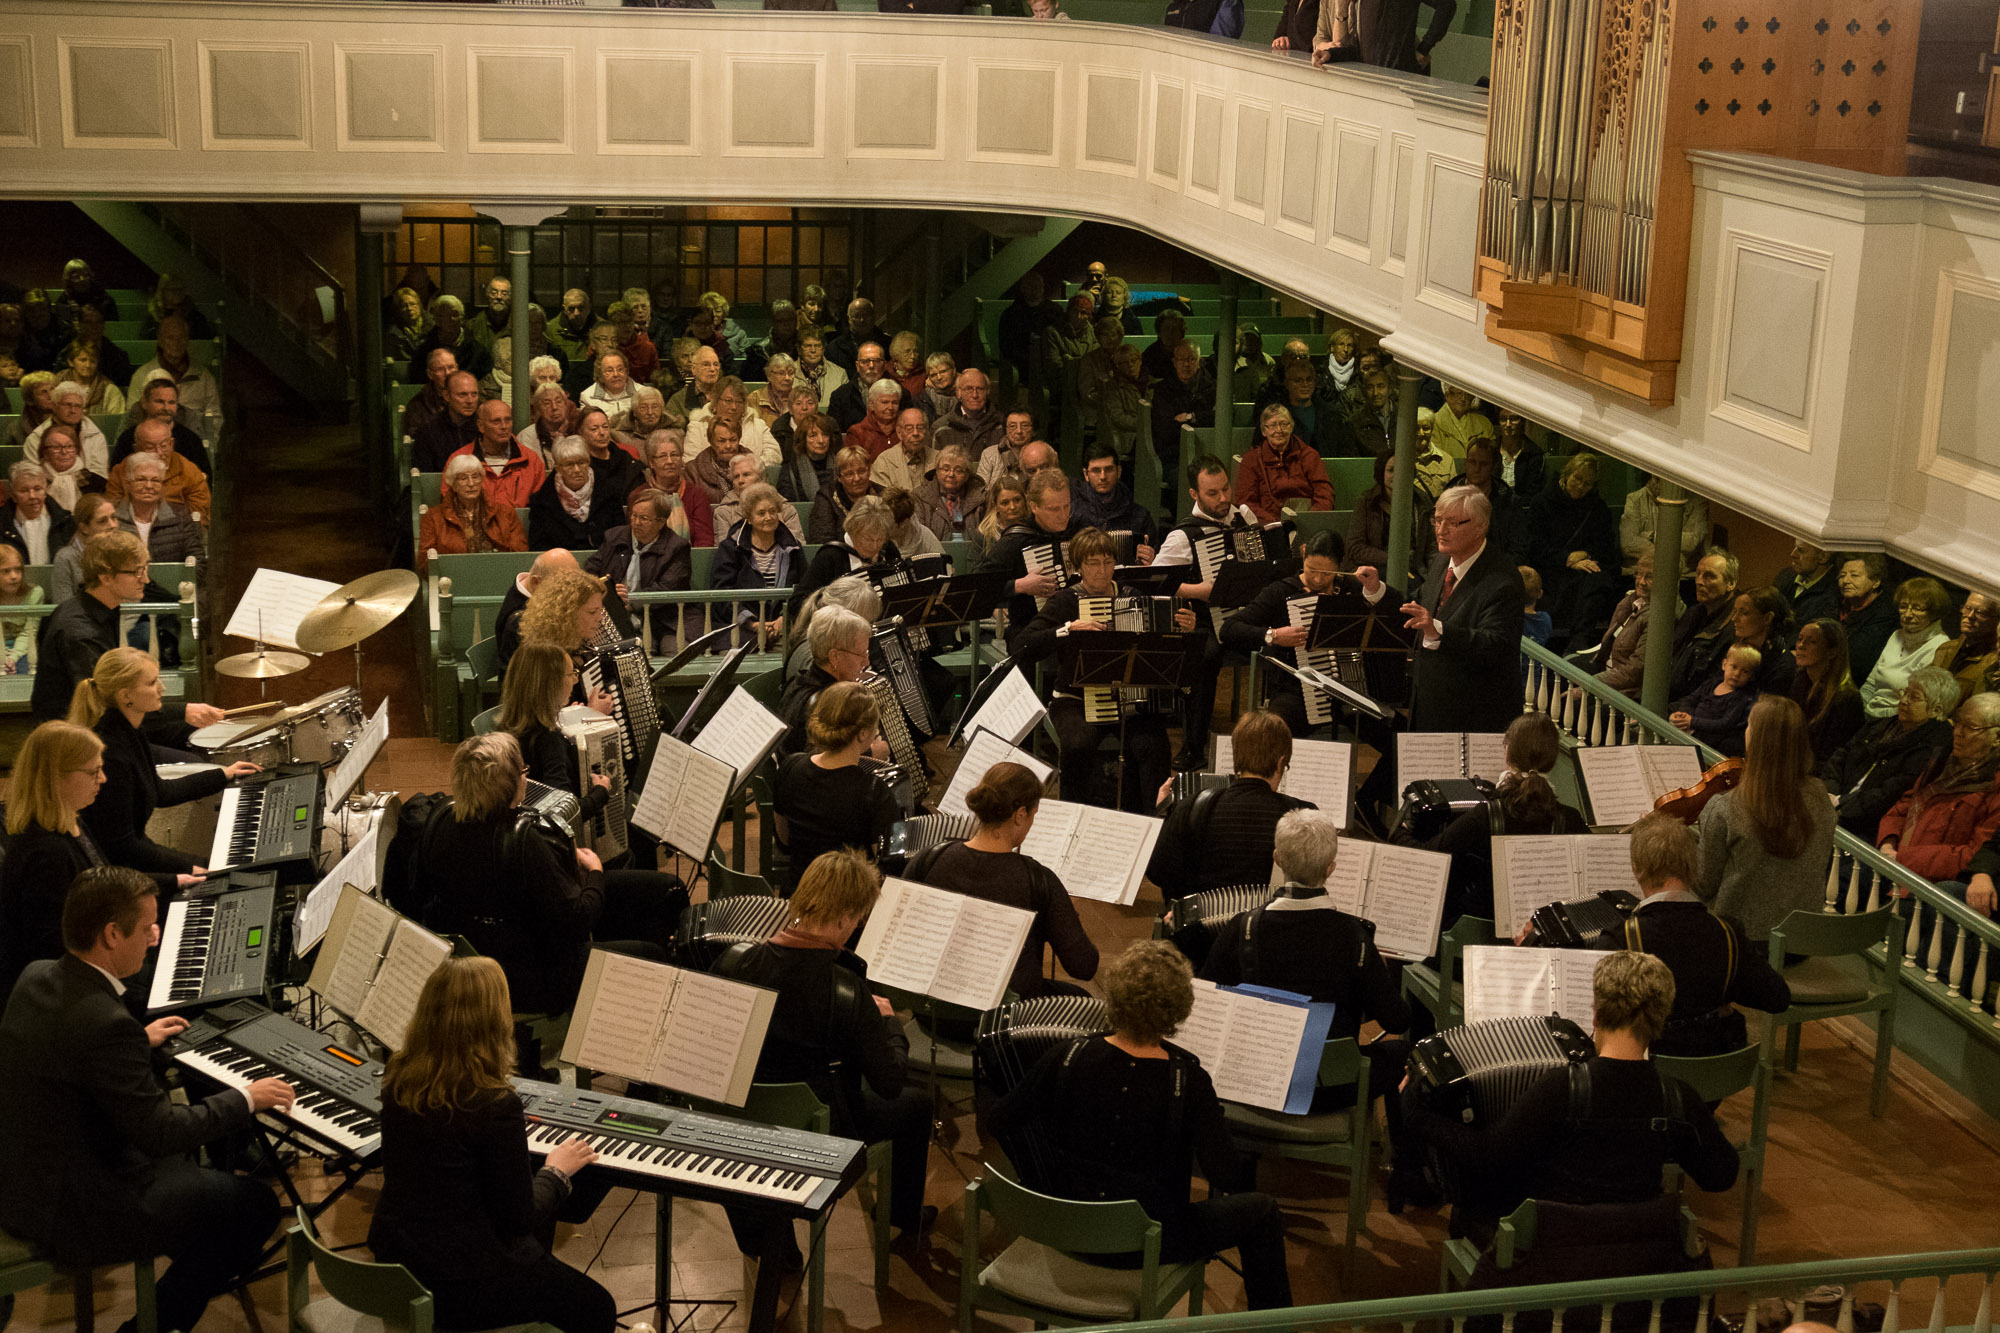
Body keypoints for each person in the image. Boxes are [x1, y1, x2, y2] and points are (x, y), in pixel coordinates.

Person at [0, 866, 291, 1333]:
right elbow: (161, 1133)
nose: (155, 938)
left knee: (209, 1196)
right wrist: (245, 1098)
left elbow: (75, 1050)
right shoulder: (104, 1023)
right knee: (255, 1206)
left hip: (26, 1179)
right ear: (112, 934)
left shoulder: (37, 976)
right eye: (148, 927)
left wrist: (139, 1039)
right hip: (78, 1206)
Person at [989, 940, 1293, 1310]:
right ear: (1178, 1009)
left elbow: (999, 1120)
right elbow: (1225, 1175)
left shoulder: (1067, 1054)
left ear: (1115, 997)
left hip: (1064, 1228)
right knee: (1262, 1212)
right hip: (1146, 1242)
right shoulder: (1189, 1081)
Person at [711, 850, 933, 1317]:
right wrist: (889, 1024)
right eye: (858, 919)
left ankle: (771, 1244)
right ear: (846, 917)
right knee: (917, 1103)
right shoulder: (846, 990)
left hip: (742, 1122)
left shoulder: (733, 962)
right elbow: (889, 1083)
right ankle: (902, 1216)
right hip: (822, 1136)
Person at [1400, 952, 1738, 1241]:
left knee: (1470, 1209)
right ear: (1659, 1021)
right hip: (1633, 1251)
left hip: (1555, 1251)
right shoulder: (1676, 1097)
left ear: (1596, 1014)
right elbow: (1720, 1176)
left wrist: (1417, 1116)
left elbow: (1487, 1156)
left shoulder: (1561, 1088)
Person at [369, 956, 615, 1333]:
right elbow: (519, 1219)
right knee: (597, 1309)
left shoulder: (399, 1074)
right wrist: (556, 1171)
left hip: (399, 1260)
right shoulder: (494, 1102)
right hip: (460, 1285)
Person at [415, 734, 681, 1016]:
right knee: (653, 953)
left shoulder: (439, 819)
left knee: (663, 889)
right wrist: (595, 871)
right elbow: (579, 918)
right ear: (509, 784)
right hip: (534, 975)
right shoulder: (523, 840)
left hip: (477, 955)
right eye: (523, 771)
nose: (526, 778)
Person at [1200, 808, 1411, 1124]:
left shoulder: (1242, 927)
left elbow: (1207, 1004)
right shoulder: (1355, 937)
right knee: (1404, 1054)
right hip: (1330, 1087)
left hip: (1256, 1079)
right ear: (1331, 868)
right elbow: (1397, 1020)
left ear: (1277, 859)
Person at [1522, 812, 1790, 1056]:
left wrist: (1531, 948)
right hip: (1714, 1076)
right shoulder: (1727, 932)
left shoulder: (1620, 939)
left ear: (1637, 870)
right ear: (1693, 867)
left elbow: (1590, 1022)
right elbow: (1777, 998)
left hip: (1646, 1076)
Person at [1015, 527, 1191, 810]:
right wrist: (1068, 629)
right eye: (1093, 563)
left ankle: (1153, 818)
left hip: (1129, 700)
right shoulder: (1065, 601)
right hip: (1075, 699)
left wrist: (1184, 628)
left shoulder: (1133, 596)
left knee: (1154, 745)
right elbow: (1023, 645)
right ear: (1079, 567)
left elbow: (1167, 648)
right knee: (1078, 746)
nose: (1102, 570)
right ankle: (1072, 815)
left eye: (1108, 562)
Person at [0, 722, 167, 998]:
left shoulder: (70, 820)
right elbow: (58, 957)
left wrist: (141, 925)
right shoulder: (46, 855)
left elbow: (106, 890)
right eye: (93, 772)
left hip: (98, 967)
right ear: (56, 777)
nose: (103, 779)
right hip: (70, 997)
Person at [908, 761, 1099, 997]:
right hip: (1009, 1012)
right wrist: (1066, 913)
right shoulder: (1038, 880)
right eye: (1033, 815)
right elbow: (1083, 966)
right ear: (1020, 815)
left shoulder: (929, 859)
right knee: (1083, 1000)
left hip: (935, 1003)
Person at [69, 647, 254, 875]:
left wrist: (223, 774)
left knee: (220, 867)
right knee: (220, 870)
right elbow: (122, 847)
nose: (161, 688)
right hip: (116, 875)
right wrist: (189, 868)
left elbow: (160, 792)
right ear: (126, 696)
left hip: (131, 855)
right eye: (152, 683)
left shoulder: (130, 731)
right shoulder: (111, 754)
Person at [29, 530, 224, 738]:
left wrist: (183, 711)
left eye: (145, 568)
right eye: (137, 572)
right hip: (80, 738)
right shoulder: (80, 632)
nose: (146, 580)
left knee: (205, 732)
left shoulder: (100, 610)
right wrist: (183, 711)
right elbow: (107, 705)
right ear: (106, 577)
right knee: (194, 740)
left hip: (109, 723)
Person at [1221, 531, 1394, 738]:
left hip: (1351, 688)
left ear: (1339, 567)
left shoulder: (1351, 588)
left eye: (1327, 574)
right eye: (1311, 570)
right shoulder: (1280, 591)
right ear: (1303, 555)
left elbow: (1396, 609)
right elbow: (1229, 629)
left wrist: (1375, 589)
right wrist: (1273, 635)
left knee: (1396, 735)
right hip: (1294, 689)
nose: (1318, 579)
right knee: (1273, 733)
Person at [1693, 695, 1837, 943]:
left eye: (1749, 725)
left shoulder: (1726, 806)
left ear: (1757, 740)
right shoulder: (1820, 795)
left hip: (1739, 943)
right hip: (1801, 942)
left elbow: (1703, 885)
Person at [1147, 710, 1315, 899]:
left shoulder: (1192, 807)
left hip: (1204, 918)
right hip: (1272, 918)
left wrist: (1162, 814)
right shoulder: (1303, 816)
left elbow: (1158, 872)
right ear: (1280, 762)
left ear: (1236, 755)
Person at [1400, 484, 1525, 735]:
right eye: (1437, 521)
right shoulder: (1442, 561)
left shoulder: (1503, 580)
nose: (1441, 530)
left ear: (1480, 526)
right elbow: (1417, 604)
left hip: (1475, 718)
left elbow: (1495, 644)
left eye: (1453, 523)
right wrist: (1377, 591)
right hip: (1431, 708)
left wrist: (1438, 630)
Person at [771, 682, 903, 896]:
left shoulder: (790, 767)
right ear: (862, 734)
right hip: (849, 905)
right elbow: (890, 869)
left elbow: (784, 841)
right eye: (875, 726)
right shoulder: (874, 792)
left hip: (797, 896)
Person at [1821, 665, 1958, 843]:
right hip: (1831, 804)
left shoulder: (1933, 749)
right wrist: (1828, 793)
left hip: (1865, 827)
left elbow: (1889, 795)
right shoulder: (1882, 725)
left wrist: (1840, 803)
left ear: (1936, 710)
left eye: (1914, 697)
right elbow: (1841, 756)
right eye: (1905, 692)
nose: (1904, 700)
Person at [1875, 692, 2000, 883]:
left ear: (1997, 737)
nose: (1957, 732)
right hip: (1893, 864)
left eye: (1970, 727)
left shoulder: (1994, 786)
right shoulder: (1941, 763)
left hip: (1928, 885)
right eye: (1958, 723)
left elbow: (1976, 856)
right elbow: (1904, 806)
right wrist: (1887, 842)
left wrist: (1903, 858)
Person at [495, 640, 617, 832]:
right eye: (571, 674)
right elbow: (561, 815)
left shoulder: (507, 727)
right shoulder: (548, 739)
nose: (575, 680)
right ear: (551, 684)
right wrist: (600, 792)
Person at [980, 469, 1085, 652]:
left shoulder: (1078, 531)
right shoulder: (1016, 539)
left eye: (1066, 506)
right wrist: (1019, 585)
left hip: (1077, 625)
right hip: (1030, 631)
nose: (1063, 515)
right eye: (1054, 509)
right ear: (1034, 507)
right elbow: (978, 587)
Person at [1522, 451, 1620, 646]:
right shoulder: (1542, 503)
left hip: (1586, 568)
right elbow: (1534, 546)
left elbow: (1606, 546)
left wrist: (1584, 555)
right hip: (1551, 567)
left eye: (1587, 484)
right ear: (1566, 475)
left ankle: (1579, 642)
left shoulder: (1597, 508)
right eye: (1577, 479)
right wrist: (1567, 559)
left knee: (1598, 581)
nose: (1581, 486)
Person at [583, 489, 693, 654]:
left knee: (675, 652)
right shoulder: (614, 536)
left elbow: (668, 588)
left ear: (661, 522)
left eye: (644, 518)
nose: (636, 522)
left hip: (663, 619)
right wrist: (609, 592)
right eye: (633, 515)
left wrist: (631, 599)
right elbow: (590, 571)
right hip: (616, 617)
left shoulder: (677, 547)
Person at [777, 606, 877, 756]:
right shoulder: (830, 703)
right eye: (861, 654)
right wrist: (871, 753)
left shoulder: (796, 681)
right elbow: (825, 762)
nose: (866, 661)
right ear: (835, 657)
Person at [714, 482, 804, 647]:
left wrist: (783, 619)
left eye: (773, 511)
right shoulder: (731, 548)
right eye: (761, 513)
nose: (768, 517)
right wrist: (752, 623)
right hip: (741, 629)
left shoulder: (793, 547)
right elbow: (722, 594)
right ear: (749, 518)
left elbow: (804, 588)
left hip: (785, 626)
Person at [789, 494, 899, 622]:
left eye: (880, 539)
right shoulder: (831, 555)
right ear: (853, 531)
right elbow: (796, 604)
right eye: (868, 539)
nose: (875, 546)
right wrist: (835, 607)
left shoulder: (888, 550)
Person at [1859, 576, 1953, 718]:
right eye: (1903, 607)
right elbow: (1871, 683)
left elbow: (1916, 706)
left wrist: (1875, 717)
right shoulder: (1896, 635)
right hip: (1869, 712)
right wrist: (1858, 708)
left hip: (1896, 720)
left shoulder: (1941, 646)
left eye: (1917, 609)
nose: (1908, 615)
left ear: (1934, 612)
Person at [419, 452, 529, 572]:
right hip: (454, 576)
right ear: (453, 484)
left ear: (482, 480)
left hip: (499, 573)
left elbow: (520, 555)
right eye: (463, 478)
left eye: (475, 477)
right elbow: (425, 562)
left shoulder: (506, 513)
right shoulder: (433, 517)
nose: (471, 484)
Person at [1593, 545, 1675, 699]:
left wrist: (1590, 683)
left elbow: (1634, 672)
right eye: (1639, 574)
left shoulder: (1659, 618)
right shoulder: (1628, 602)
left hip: (1625, 690)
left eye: (1650, 577)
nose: (1641, 582)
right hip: (1605, 672)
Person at [1235, 404, 1335, 523]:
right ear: (1263, 431)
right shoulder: (1251, 460)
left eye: (1284, 424)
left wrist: (1310, 520)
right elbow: (1246, 502)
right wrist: (1274, 524)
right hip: (1267, 525)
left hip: (1306, 522)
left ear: (1291, 427)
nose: (1279, 430)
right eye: (1272, 425)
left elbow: (1325, 494)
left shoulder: (1309, 456)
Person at [1787, 616, 1866, 764]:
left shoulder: (1846, 699)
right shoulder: (1801, 680)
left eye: (1812, 641)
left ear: (1832, 652)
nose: (1801, 645)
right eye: (1800, 639)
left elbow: (1832, 756)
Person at [1668, 549, 1741, 700]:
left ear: (1731, 583)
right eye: (1698, 574)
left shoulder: (1734, 627)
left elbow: (1712, 687)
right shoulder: (1694, 613)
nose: (1699, 581)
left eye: (1709, 576)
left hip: (1687, 708)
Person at [528, 436, 623, 552]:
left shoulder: (610, 494)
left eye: (581, 462)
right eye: (569, 464)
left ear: (589, 462)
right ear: (558, 468)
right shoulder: (541, 502)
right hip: (559, 561)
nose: (577, 470)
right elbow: (538, 547)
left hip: (603, 560)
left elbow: (619, 540)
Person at [1345, 451, 1434, 574]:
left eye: (1402, 470)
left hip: (1413, 569)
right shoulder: (1367, 503)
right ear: (1381, 472)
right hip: (1373, 568)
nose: (1397, 475)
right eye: (1391, 470)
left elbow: (1432, 547)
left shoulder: (1422, 502)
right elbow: (1355, 547)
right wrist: (1391, 559)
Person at [1669, 643, 1763, 756]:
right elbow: (1691, 700)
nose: (1737, 674)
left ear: (1751, 676)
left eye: (1745, 671)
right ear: (1724, 665)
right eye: (1734, 667)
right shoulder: (1711, 683)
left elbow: (1724, 724)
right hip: (1691, 729)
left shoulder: (1741, 697)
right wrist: (1684, 715)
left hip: (1710, 742)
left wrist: (1692, 721)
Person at [1071, 443, 1159, 557]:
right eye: (1096, 470)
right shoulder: (1073, 513)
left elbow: (1157, 559)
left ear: (1119, 471)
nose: (1103, 477)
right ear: (1086, 474)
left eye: (1109, 469)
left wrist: (1151, 560)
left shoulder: (1140, 516)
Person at [634, 427, 715, 547]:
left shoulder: (697, 495)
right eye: (662, 456)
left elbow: (704, 542)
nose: (670, 461)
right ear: (651, 462)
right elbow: (636, 541)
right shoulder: (638, 496)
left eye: (674, 455)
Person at [1618, 473, 1709, 577]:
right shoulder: (1635, 499)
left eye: (1663, 480)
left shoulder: (1697, 501)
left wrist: (1653, 536)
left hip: (1683, 575)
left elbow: (1692, 542)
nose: (1657, 484)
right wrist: (1672, 559)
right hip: (1640, 572)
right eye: (1656, 479)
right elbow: (1628, 543)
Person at [1836, 553, 1900, 685]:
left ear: (1875, 582)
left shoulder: (1885, 615)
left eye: (1854, 575)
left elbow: (1857, 660)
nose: (1846, 581)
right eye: (1842, 575)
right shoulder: (1837, 601)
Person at [0, 460, 74, 566]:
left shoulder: (66, 522)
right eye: (24, 490)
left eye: (37, 489)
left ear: (45, 491)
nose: (32, 496)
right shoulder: (2, 525)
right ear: (14, 496)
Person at [807, 444, 880, 545]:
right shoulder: (826, 497)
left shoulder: (880, 493)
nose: (857, 478)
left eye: (861, 471)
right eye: (849, 474)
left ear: (869, 471)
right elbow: (822, 542)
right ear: (839, 477)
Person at [912, 443, 986, 542]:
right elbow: (918, 538)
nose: (951, 474)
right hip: (934, 551)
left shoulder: (982, 497)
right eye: (946, 469)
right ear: (937, 470)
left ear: (967, 474)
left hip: (973, 551)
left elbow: (987, 537)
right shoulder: (920, 496)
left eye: (958, 470)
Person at [1933, 591, 1999, 703]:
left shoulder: (1994, 663)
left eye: (1980, 612)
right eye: (1967, 608)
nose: (1970, 616)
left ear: (1996, 620)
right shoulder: (1945, 649)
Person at [33, 419, 105, 513]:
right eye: (56, 447)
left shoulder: (95, 482)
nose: (64, 452)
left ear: (76, 450)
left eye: (69, 446)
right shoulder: (35, 483)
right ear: (45, 453)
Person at [0, 544, 46, 674]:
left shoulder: (35, 594)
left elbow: (29, 633)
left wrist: (12, 659)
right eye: (6, 571)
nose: (14, 576)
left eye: (18, 569)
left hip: (24, 649)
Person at [1775, 539, 1841, 627]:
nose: (1793, 554)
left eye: (1801, 550)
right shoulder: (1785, 576)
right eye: (1795, 547)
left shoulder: (1836, 593)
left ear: (1823, 557)